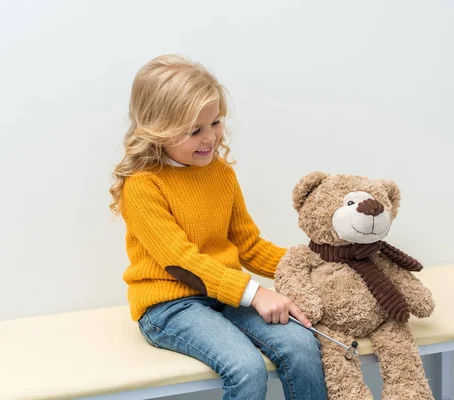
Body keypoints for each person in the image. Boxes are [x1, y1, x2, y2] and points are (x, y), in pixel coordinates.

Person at [109, 54, 327, 400]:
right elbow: (183, 262)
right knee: (245, 366)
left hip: (224, 295)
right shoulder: (142, 186)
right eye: (194, 130)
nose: (210, 137)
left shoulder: (221, 174)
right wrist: (256, 294)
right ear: (158, 129)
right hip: (170, 306)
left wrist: (316, 264)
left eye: (216, 122)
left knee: (302, 347)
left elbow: (249, 246)